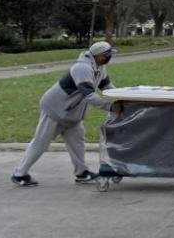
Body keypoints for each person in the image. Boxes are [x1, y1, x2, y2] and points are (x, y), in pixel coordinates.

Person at [11, 41, 117, 186]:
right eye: (107, 55)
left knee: (78, 143)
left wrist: (122, 98)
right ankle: (19, 174)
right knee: (40, 142)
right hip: (55, 109)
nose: (109, 57)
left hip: (71, 114)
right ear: (98, 55)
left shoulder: (100, 68)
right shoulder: (82, 68)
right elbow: (89, 95)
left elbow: (108, 88)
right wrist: (110, 107)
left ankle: (82, 173)